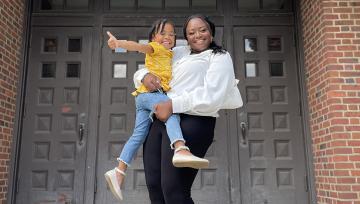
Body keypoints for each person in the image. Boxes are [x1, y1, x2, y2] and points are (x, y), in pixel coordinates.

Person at [134, 14, 243, 204]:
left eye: (203, 30)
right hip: (162, 120)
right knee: (154, 185)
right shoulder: (178, 52)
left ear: (211, 32)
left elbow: (212, 96)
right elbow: (149, 64)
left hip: (194, 121)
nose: (198, 35)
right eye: (191, 32)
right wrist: (143, 75)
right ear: (185, 36)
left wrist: (173, 104)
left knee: (174, 189)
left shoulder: (219, 56)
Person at [104, 19, 209, 202]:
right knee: (170, 110)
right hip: (150, 96)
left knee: (138, 135)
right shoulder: (156, 48)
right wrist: (118, 44)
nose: (167, 37)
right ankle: (180, 148)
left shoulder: (171, 54)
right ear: (153, 37)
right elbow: (138, 47)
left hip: (143, 98)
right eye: (163, 33)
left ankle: (118, 171)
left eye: (171, 34)